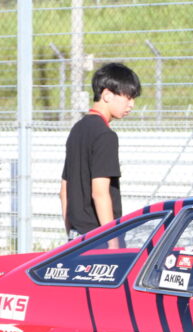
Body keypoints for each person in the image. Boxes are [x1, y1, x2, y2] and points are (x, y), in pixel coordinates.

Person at [60, 62, 141, 239]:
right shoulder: (106, 136)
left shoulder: (77, 129)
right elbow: (100, 193)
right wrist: (112, 240)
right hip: (99, 237)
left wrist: (70, 235)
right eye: (128, 97)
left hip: (76, 235)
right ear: (107, 95)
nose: (132, 105)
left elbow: (64, 191)